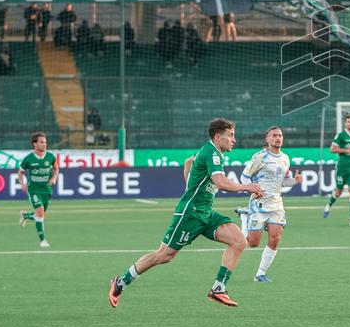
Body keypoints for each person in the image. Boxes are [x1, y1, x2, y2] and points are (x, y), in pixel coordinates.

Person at [109, 118, 264, 308]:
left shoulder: (209, 150)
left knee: (239, 241)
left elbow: (188, 162)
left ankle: (218, 288)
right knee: (164, 255)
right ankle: (121, 282)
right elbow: (221, 183)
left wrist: (190, 186)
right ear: (218, 137)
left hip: (205, 213)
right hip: (190, 214)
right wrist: (247, 187)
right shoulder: (212, 153)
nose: (234, 140)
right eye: (230, 135)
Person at [234, 126, 303, 282]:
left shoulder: (285, 158)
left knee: (275, 238)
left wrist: (295, 181)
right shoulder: (260, 157)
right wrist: (251, 190)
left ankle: (260, 273)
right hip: (259, 203)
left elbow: (285, 181)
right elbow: (244, 177)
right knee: (253, 243)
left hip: (276, 204)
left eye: (280, 135)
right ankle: (244, 217)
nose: (278, 138)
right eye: (274, 135)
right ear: (267, 139)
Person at [18, 132, 59, 247]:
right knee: (40, 212)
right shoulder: (28, 159)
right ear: (34, 144)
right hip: (34, 189)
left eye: (45, 142)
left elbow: (56, 168)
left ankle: (25, 215)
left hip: (46, 189)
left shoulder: (50, 157)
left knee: (40, 214)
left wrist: (54, 178)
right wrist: (22, 184)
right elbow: (20, 172)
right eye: (41, 142)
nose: (44, 144)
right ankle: (43, 240)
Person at [323, 113, 350, 225]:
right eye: (348, 122)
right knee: (338, 192)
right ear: (345, 124)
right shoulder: (341, 135)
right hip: (342, 167)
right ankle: (329, 205)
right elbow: (332, 149)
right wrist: (346, 151)